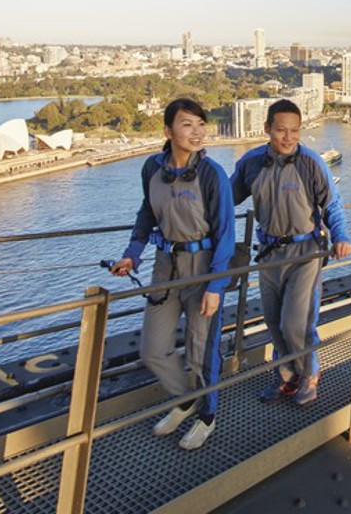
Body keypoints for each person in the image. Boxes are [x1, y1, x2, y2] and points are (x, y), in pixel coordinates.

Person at [111, 98, 235, 451]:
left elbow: (226, 234)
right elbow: (146, 216)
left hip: (204, 265)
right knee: (153, 350)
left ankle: (207, 416)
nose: (196, 132)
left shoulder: (212, 175)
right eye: (186, 124)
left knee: (201, 350)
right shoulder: (152, 168)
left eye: (200, 123)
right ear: (168, 131)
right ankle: (186, 399)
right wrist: (132, 255)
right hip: (165, 265)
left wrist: (215, 285)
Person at [229, 99, 351, 406]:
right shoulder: (251, 163)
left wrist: (341, 236)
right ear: (267, 128)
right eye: (281, 130)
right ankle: (285, 375)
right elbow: (225, 199)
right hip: (269, 252)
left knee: (296, 323)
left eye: (294, 131)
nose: (287, 138)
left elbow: (332, 204)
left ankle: (310, 373)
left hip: (305, 252)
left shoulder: (311, 162)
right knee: (273, 320)